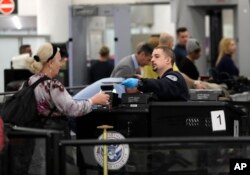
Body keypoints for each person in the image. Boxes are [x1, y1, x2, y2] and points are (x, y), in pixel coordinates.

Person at [22, 42, 110, 175]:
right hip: (55, 137)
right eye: (59, 60)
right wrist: (94, 100)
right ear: (50, 62)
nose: (61, 64)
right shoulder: (53, 86)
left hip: (35, 136)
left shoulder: (29, 81)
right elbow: (73, 109)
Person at [122, 46, 190, 101]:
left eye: (156, 56)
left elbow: (162, 85)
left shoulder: (175, 77)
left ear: (168, 60)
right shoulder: (161, 80)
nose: (152, 60)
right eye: (152, 57)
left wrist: (140, 82)